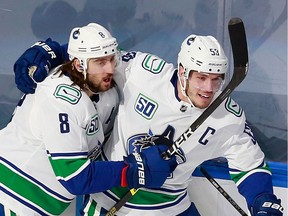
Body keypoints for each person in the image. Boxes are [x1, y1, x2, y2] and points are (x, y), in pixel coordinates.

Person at [13, 32, 283, 215]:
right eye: (201, 78)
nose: (209, 88)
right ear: (182, 71)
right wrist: (53, 51)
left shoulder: (228, 118)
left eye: (216, 79)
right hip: (110, 201)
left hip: (172, 207)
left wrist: (261, 200)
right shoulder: (141, 72)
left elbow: (250, 165)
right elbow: (96, 57)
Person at [0, 23, 177, 216]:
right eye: (101, 62)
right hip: (10, 194)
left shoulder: (105, 91)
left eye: (111, 59)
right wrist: (133, 170)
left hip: (32, 203)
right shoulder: (59, 100)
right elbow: (75, 177)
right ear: (78, 64)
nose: (110, 68)